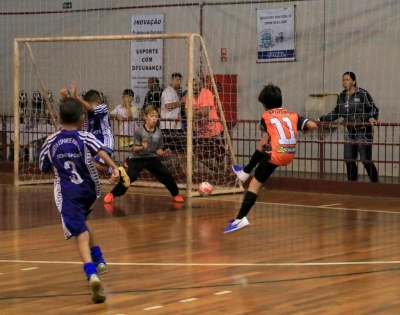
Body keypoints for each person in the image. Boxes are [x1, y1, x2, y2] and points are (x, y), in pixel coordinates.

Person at [39, 98, 121, 303]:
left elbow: (44, 167)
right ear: (81, 119)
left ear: (60, 118)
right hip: (89, 190)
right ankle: (100, 259)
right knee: (83, 222)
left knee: (80, 234)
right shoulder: (85, 136)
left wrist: (57, 166)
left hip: (68, 194)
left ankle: (92, 274)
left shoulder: (50, 141)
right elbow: (101, 150)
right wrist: (114, 168)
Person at [225, 83, 317, 233]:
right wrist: (304, 130)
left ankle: (240, 219)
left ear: (265, 105)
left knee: (254, 185)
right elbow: (313, 125)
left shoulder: (266, 116)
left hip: (275, 155)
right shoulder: (293, 115)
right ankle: (244, 172)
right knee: (264, 142)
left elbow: (262, 127)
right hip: (289, 153)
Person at [104, 105, 184, 204]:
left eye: (156, 116)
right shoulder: (139, 131)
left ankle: (176, 194)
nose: (154, 118)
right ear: (145, 117)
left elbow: (158, 150)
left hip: (151, 158)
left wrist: (163, 153)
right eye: (151, 116)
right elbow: (134, 148)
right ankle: (112, 194)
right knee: (130, 177)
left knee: (165, 174)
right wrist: (142, 147)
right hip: (138, 158)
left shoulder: (158, 132)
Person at [318, 71, 379, 182]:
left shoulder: (362, 94)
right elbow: (337, 112)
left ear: (354, 81)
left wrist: (370, 117)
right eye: (343, 80)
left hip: (364, 130)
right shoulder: (342, 96)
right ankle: (352, 183)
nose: (345, 82)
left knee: (365, 159)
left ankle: (375, 183)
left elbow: (373, 109)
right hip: (351, 130)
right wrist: (322, 119)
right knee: (348, 157)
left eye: (347, 80)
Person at [185, 77, 225, 172]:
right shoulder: (188, 96)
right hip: (201, 132)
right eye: (190, 85)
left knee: (219, 156)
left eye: (195, 85)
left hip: (215, 130)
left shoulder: (206, 93)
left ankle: (221, 175)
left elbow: (205, 113)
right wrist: (198, 114)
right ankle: (217, 172)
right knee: (200, 156)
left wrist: (194, 113)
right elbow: (188, 115)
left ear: (200, 85)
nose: (193, 88)